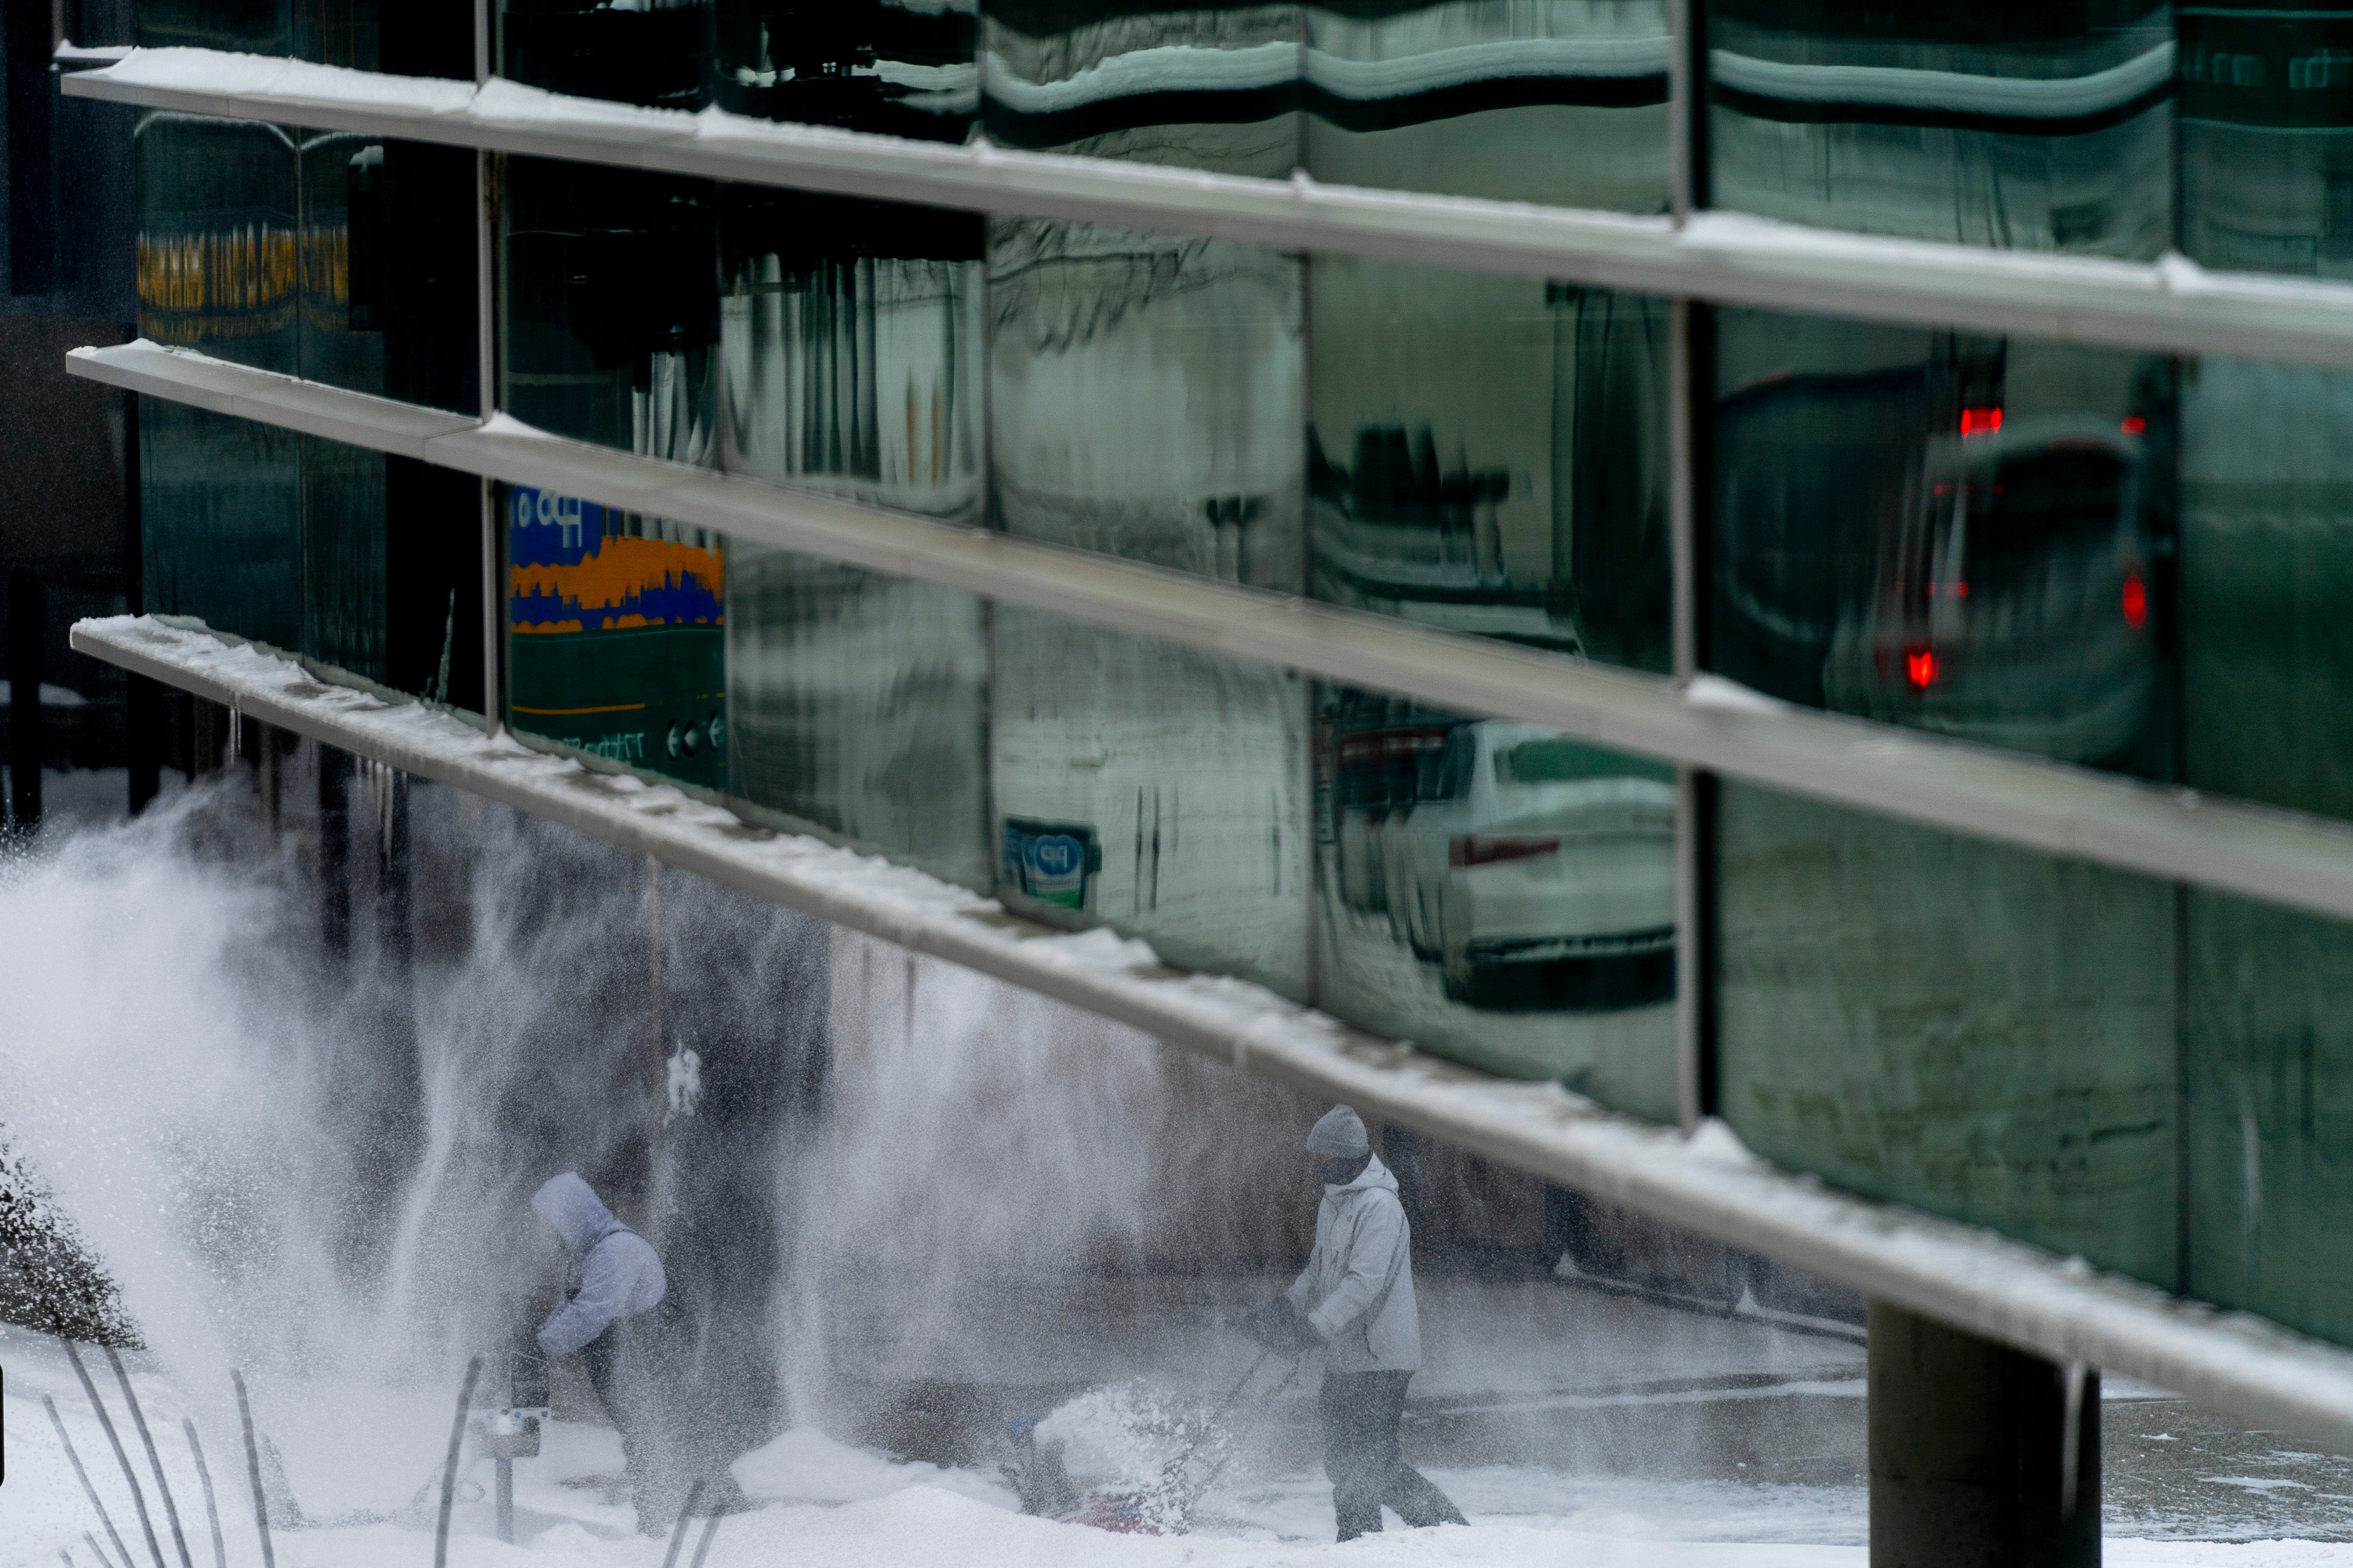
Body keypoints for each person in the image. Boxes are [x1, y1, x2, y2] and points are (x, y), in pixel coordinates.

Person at [1243, 1106, 1467, 1542]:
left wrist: (1314, 1328)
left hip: (1381, 1356)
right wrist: (1285, 1307)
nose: (1316, 1166)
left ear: (1345, 1156)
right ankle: (1362, 1542)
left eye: (1323, 1158)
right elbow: (1318, 1270)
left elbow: (1363, 1284)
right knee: (1346, 1461)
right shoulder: (1335, 1200)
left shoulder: (1380, 1207)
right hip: (1345, 1356)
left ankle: (1445, 1532)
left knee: (1371, 1463)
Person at [530, 1172, 688, 1534]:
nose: (546, 1229)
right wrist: (535, 1338)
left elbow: (590, 1314)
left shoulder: (617, 1251)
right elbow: (567, 1308)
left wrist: (540, 1346)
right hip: (619, 1359)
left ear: (571, 1215)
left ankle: (664, 1522)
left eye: (549, 1220)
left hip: (643, 1357)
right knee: (639, 1433)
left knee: (647, 1432)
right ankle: (659, 1521)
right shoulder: (583, 1254)